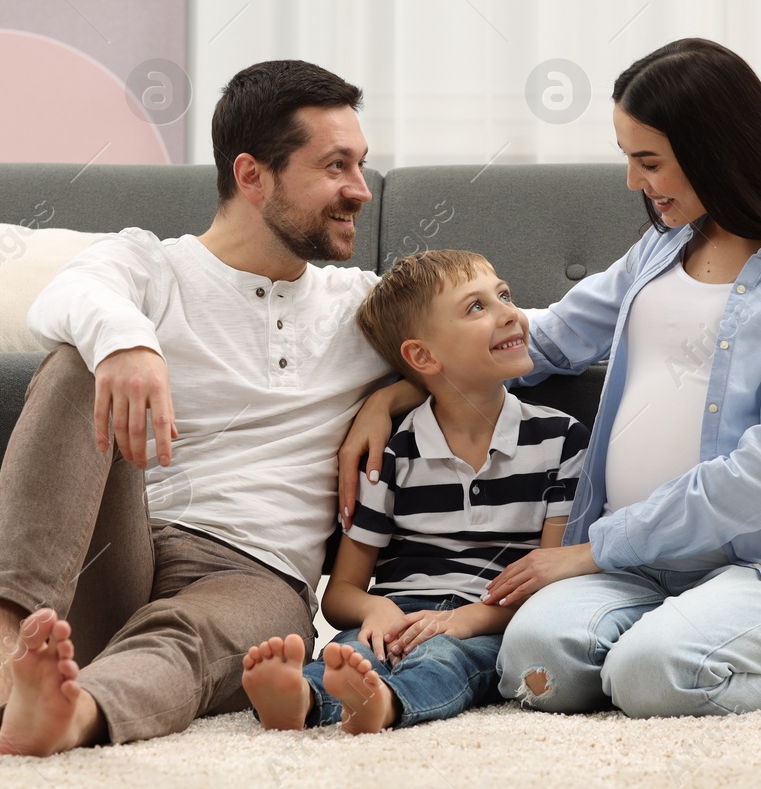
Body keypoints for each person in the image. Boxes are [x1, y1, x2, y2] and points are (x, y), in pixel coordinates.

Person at [340, 37, 761, 718]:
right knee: (533, 661)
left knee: (653, 675)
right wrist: (398, 390)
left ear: (718, 150)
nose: (634, 182)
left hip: (759, 567)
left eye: (649, 160)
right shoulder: (661, 249)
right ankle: (660, 640)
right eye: (629, 158)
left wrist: (595, 550)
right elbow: (547, 338)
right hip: (632, 570)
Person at [0, 59, 398, 754]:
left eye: (361, 165)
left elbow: (509, 337)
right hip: (119, 553)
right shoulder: (151, 266)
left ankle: (75, 710)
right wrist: (128, 343)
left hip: (251, 574)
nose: (360, 190)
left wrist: (395, 392)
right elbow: (65, 298)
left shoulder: (363, 308)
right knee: (78, 357)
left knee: (186, 639)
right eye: (336, 166)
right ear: (252, 175)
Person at [240, 250, 588, 733]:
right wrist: (376, 609)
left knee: (445, 660)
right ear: (423, 356)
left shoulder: (562, 439)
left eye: (504, 295)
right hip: (397, 612)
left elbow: (548, 579)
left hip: (489, 621)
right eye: (477, 307)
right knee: (350, 650)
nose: (511, 312)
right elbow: (341, 593)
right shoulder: (393, 453)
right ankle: (300, 697)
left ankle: (383, 704)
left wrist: (467, 619)